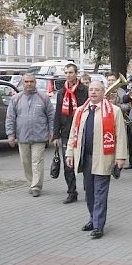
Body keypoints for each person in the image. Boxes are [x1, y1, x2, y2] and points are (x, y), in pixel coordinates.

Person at [66, 81, 128, 239]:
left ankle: (98, 225)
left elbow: (120, 135)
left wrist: (120, 157)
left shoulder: (113, 111)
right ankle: (93, 218)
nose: (93, 92)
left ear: (103, 92)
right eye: (91, 90)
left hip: (103, 157)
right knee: (89, 192)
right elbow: (73, 133)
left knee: (100, 192)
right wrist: (70, 154)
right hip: (85, 158)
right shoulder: (81, 111)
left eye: (97, 90)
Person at [5, 73, 54, 197]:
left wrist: (52, 132)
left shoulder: (43, 98)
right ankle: (31, 182)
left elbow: (51, 116)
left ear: (35, 82)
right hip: (22, 137)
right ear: (22, 83)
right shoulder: (16, 99)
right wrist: (11, 135)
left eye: (31, 81)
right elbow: (10, 118)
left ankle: (36, 186)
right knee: (26, 163)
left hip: (40, 137)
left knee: (37, 162)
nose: (29, 84)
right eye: (26, 82)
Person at [52, 63, 88, 204]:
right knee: (68, 164)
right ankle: (71, 192)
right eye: (66, 72)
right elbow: (57, 114)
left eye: (71, 72)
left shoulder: (84, 90)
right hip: (67, 132)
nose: (68, 75)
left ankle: (88, 187)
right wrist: (55, 134)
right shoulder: (62, 92)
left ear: (76, 73)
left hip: (82, 131)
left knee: (85, 162)